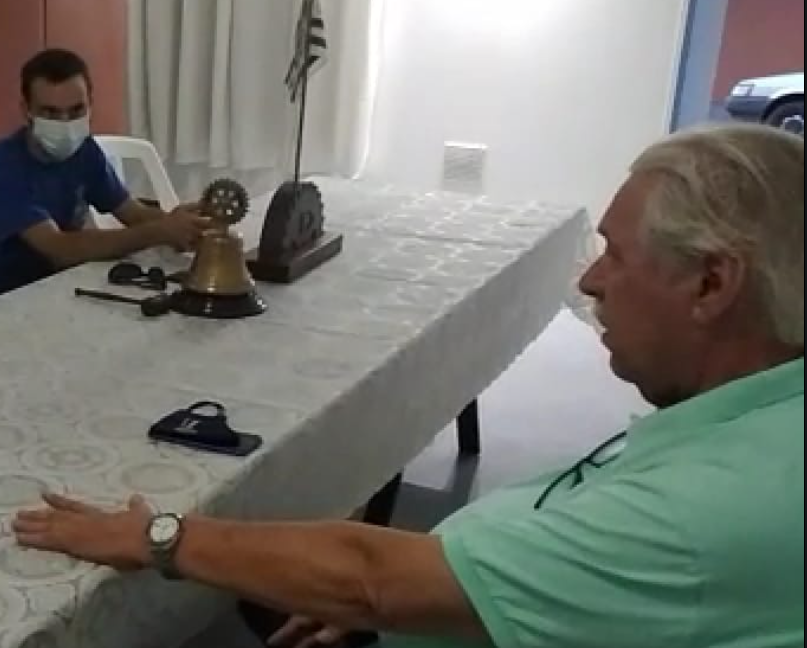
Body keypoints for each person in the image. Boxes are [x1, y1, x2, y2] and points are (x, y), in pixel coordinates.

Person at [13, 123, 804, 648]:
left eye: (617, 256)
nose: (590, 281)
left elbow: (370, 581)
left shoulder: (704, 513)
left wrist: (158, 537)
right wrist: (442, 588)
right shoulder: (762, 423)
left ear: (711, 284)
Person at [0, 48, 208, 294]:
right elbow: (59, 249)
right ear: (26, 110)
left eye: (76, 110)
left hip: (61, 283)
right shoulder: (7, 165)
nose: (65, 122)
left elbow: (133, 213)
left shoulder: (85, 150)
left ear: (90, 104)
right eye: (50, 112)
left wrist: (186, 223)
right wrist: (159, 231)